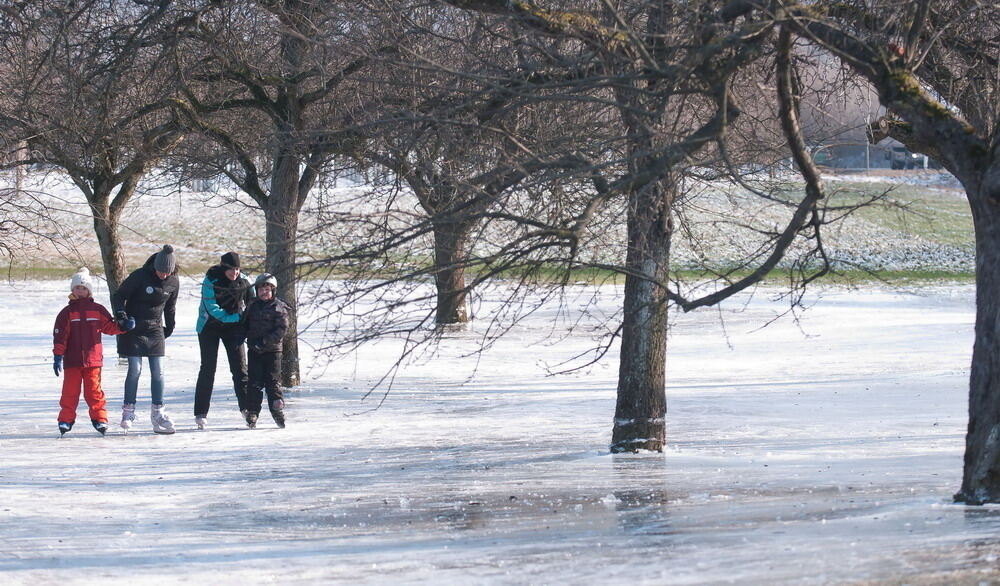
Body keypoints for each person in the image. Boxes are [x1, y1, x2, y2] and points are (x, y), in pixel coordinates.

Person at [52, 268, 134, 436]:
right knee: (69, 392)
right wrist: (58, 355)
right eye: (77, 288)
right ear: (72, 290)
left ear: (89, 290)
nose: (80, 291)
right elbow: (60, 336)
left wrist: (123, 327)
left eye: (83, 288)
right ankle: (65, 420)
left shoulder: (97, 310)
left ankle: (100, 419)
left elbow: (109, 326)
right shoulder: (67, 313)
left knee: (94, 392)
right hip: (72, 360)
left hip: (93, 360)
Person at [111, 244, 180, 434]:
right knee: (135, 369)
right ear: (154, 267)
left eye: (167, 272)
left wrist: (170, 326)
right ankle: (128, 411)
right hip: (134, 328)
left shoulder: (173, 282)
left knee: (158, 372)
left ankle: (158, 413)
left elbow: (170, 307)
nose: (163, 275)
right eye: (160, 271)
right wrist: (122, 318)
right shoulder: (139, 276)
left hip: (155, 329)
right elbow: (118, 296)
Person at [193, 251, 253, 429]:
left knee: (240, 368)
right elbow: (212, 309)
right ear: (223, 268)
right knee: (208, 368)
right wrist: (236, 318)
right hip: (209, 327)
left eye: (237, 269)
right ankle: (201, 412)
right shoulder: (211, 280)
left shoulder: (245, 281)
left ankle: (247, 409)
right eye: (231, 270)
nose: (234, 273)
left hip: (233, 329)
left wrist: (244, 319)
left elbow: (252, 302)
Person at [241, 273, 290, 429]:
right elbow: (244, 324)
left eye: (267, 289)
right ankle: (253, 411)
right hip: (254, 351)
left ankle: (277, 410)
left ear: (273, 291)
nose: (264, 293)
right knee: (254, 383)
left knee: (273, 382)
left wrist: (264, 342)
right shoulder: (252, 306)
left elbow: (281, 329)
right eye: (261, 289)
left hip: (272, 352)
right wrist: (245, 337)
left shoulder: (279, 307)